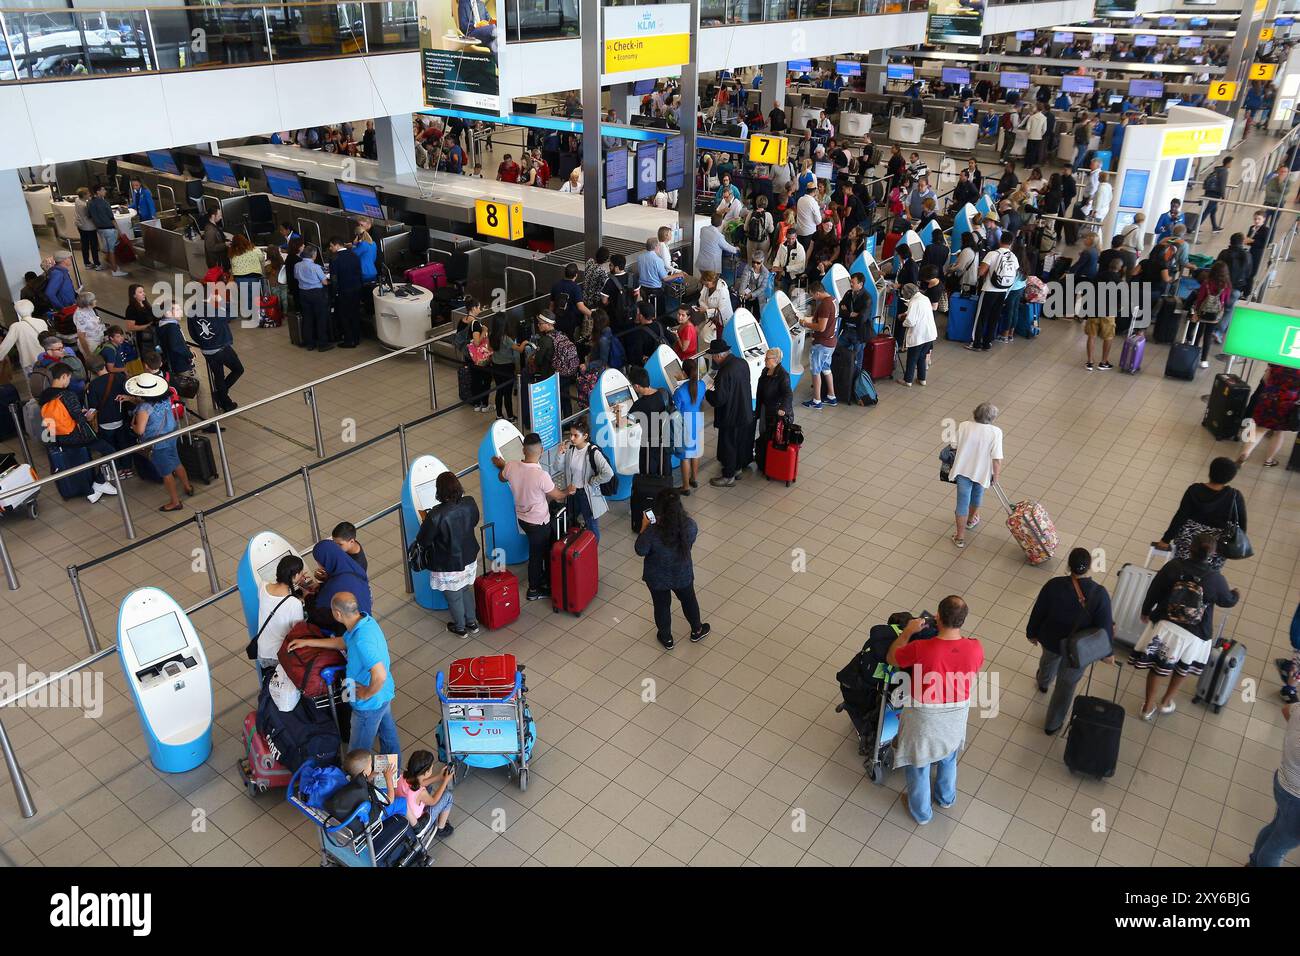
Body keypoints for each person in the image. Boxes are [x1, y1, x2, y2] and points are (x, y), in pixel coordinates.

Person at [886, 596, 984, 826]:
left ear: (937, 617)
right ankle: (946, 798)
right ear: (963, 620)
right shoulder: (975, 647)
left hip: (924, 720)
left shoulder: (921, 648)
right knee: (949, 756)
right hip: (956, 717)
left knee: (919, 763)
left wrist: (907, 632)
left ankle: (921, 813)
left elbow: (892, 658)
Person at [1129, 532, 1240, 721]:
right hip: (1195, 633)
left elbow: (1154, 590)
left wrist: (1146, 611)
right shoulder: (1215, 579)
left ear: (1190, 548)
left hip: (1166, 626)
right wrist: (1236, 594)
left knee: (1157, 667)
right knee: (1183, 668)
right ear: (1212, 554)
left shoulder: (1173, 566)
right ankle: (1165, 703)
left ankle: (1147, 708)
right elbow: (1227, 601)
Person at [288, 592, 399, 756]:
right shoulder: (365, 622)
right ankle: (393, 775)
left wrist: (365, 693)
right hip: (383, 694)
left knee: (357, 753)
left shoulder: (362, 640)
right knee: (388, 738)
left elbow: (380, 674)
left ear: (338, 614)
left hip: (369, 705)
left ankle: (356, 780)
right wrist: (308, 642)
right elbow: (344, 641)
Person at [1027, 547, 1116, 735]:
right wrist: (1108, 654)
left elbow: (1039, 611)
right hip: (1077, 650)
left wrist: (1032, 633)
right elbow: (1105, 626)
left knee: (1048, 660)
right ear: (1089, 567)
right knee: (1065, 687)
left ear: (1069, 565)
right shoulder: (1099, 594)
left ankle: (1043, 682)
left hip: (1051, 639)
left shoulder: (1053, 585)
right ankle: (1052, 724)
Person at [492, 432, 568, 601]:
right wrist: (568, 490)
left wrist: (502, 465)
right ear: (541, 450)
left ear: (523, 450)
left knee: (537, 550)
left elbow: (502, 477)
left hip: (522, 519)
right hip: (539, 522)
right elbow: (558, 496)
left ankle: (542, 579)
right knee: (537, 555)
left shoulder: (511, 466)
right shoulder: (541, 476)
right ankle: (534, 589)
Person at [634, 488, 710, 650]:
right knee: (689, 600)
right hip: (682, 573)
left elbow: (640, 550)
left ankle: (666, 637)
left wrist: (644, 527)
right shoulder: (689, 525)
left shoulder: (652, 532)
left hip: (657, 577)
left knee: (661, 606)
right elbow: (689, 542)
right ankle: (697, 629)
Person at [413, 471, 480, 636]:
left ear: (439, 491)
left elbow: (423, 540)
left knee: (454, 597)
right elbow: (475, 520)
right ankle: (472, 623)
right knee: (465, 590)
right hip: (469, 557)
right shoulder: (469, 502)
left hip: (448, 563)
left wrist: (426, 522)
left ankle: (460, 628)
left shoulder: (435, 515)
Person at [1153, 456, 1246, 572]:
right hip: (1215, 546)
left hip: (1188, 541)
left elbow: (1180, 517)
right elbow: (1241, 526)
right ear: (1230, 478)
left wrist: (1165, 539)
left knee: (1181, 569)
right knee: (1208, 575)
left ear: (1210, 471)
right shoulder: (1235, 497)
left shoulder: (1194, 490)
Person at [124, 372, 192, 512]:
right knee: (176, 462)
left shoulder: (144, 409)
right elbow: (150, 405)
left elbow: (140, 430)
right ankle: (187, 486)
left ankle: (175, 502)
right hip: (172, 435)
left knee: (166, 472)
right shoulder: (165, 398)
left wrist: (133, 426)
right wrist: (131, 399)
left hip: (158, 443)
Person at [1248, 700, 1300, 866]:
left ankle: (1254, 862)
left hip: (1284, 783)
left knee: (1276, 828)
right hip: (1297, 798)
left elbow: (1286, 710)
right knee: (1278, 847)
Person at [947, 402, 1003, 549]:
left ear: (975, 413)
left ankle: (959, 537)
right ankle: (971, 520)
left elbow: (953, 444)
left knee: (962, 503)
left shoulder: (965, 425)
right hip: (982, 472)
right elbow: (997, 459)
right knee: (977, 496)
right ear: (993, 418)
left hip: (963, 470)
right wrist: (995, 477)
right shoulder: (996, 432)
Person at [705, 339, 756, 487]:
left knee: (728, 445)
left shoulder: (724, 372)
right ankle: (737, 469)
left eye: (713, 356)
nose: (713, 359)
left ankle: (728, 476)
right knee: (739, 442)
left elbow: (719, 399)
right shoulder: (742, 363)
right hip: (745, 411)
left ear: (718, 356)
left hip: (730, 416)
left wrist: (708, 392)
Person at [186, 285, 243, 412]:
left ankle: (225, 402)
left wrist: (203, 342)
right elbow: (233, 314)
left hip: (207, 350)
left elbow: (192, 332)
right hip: (221, 348)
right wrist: (223, 302)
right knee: (238, 369)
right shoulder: (213, 310)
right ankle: (221, 395)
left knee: (218, 375)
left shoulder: (192, 309)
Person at [557, 421, 613, 540]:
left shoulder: (593, 452)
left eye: (576, 435)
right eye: (570, 435)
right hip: (572, 492)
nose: (572, 438)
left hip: (586, 494)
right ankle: (578, 550)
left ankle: (591, 552)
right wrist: (561, 454)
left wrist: (594, 481)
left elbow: (609, 473)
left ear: (585, 436)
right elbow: (558, 468)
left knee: (591, 525)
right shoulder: (570, 449)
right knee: (572, 522)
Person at [253, 554, 308, 675]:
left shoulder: (263, 586)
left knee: (270, 683)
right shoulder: (294, 603)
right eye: (300, 572)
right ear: (295, 576)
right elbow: (297, 631)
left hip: (262, 652)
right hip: (279, 654)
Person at [1237, 364, 1300, 468]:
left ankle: (1244, 454)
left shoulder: (1279, 359)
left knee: (1258, 429)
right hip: (1287, 403)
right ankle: (1268, 460)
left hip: (1268, 398)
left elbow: (1265, 378)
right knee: (1278, 433)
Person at [308, 537, 372, 633]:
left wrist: (307, 596)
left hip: (346, 633)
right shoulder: (354, 567)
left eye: (319, 562)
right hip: (365, 623)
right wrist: (326, 580)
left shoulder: (336, 584)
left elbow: (318, 613)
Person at [970, 234, 1018, 352]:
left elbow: (981, 272)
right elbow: (1015, 273)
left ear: (1000, 241)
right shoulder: (1013, 256)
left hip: (989, 290)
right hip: (1003, 291)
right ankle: (987, 343)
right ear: (1011, 243)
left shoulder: (993, 254)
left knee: (981, 317)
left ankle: (976, 343)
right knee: (994, 317)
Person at [394, 750, 455, 838]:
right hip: (418, 823)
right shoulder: (420, 791)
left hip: (404, 817)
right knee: (448, 796)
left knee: (428, 787)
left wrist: (438, 777)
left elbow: (419, 783)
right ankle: (441, 829)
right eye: (431, 768)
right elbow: (433, 801)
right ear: (426, 772)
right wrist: (445, 782)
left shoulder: (402, 776)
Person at [753, 347, 793, 472]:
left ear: (776, 360)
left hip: (775, 411)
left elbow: (788, 394)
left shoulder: (782, 375)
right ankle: (763, 459)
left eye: (767, 358)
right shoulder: (766, 370)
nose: (764, 360)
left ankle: (768, 462)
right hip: (765, 408)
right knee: (763, 432)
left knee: (770, 435)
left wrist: (783, 408)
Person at [800, 283, 838, 409]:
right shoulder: (833, 300)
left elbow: (821, 327)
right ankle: (831, 396)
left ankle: (817, 400)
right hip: (831, 342)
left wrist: (806, 324)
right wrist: (807, 319)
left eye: (813, 295)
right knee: (826, 369)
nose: (813, 298)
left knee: (815, 371)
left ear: (817, 293)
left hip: (822, 344)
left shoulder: (825, 305)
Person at [673, 359, 707, 494]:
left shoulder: (679, 391)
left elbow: (676, 410)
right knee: (695, 452)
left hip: (684, 425)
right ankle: (694, 478)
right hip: (697, 421)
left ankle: (686, 487)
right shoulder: (702, 385)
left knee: (685, 456)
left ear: (683, 372)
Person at [0, 300, 48, 389]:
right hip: (45, 358)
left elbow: (5, 346)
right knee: (48, 381)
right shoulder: (41, 322)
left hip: (29, 361)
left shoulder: (16, 327)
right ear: (32, 309)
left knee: (34, 387)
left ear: (17, 311)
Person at [1192, 261, 1232, 368]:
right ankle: (1204, 360)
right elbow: (1226, 301)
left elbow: (1200, 298)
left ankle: (1193, 354)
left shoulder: (1207, 283)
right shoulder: (1227, 285)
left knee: (1198, 333)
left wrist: (1196, 311)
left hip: (1203, 313)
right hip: (1215, 315)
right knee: (1208, 336)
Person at [327, 236, 363, 348]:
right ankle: (357, 338)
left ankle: (349, 340)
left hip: (343, 291)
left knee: (344, 316)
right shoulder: (354, 255)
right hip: (356, 289)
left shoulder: (335, 258)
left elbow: (334, 279)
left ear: (337, 245)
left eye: (331, 246)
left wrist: (334, 294)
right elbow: (359, 273)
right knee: (355, 314)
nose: (330, 248)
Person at [294, 244, 332, 352]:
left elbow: (296, 277)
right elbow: (324, 282)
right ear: (314, 255)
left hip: (303, 293)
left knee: (307, 318)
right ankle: (322, 343)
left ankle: (310, 343)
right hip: (317, 293)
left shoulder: (297, 265)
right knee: (321, 318)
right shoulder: (315, 267)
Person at [898, 283, 937, 387]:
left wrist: (903, 321)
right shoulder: (924, 298)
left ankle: (908, 381)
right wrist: (907, 313)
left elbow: (911, 321)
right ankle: (922, 379)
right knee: (922, 357)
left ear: (908, 294)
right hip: (930, 334)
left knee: (912, 358)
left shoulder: (914, 302)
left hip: (919, 335)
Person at [87, 184, 128, 277]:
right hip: (109, 229)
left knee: (107, 248)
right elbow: (111, 218)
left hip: (100, 230)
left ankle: (108, 264)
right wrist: (119, 231)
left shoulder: (89, 203)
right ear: (98, 192)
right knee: (111, 250)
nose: (105, 191)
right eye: (103, 190)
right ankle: (115, 270)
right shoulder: (104, 203)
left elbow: (90, 216)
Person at [73, 186, 100, 271]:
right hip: (89, 227)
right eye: (88, 193)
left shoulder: (77, 200)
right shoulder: (85, 205)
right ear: (84, 195)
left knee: (84, 245)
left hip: (80, 226)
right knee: (94, 246)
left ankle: (87, 263)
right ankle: (97, 263)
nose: (90, 194)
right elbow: (91, 215)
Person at [1202, 156, 1231, 233]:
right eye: (1231, 163)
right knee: (1208, 210)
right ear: (1228, 163)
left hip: (1211, 191)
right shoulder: (1224, 171)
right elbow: (1222, 184)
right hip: (1216, 193)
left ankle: (1214, 227)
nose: (1231, 165)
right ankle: (1194, 227)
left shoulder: (1218, 169)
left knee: (1213, 210)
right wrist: (1223, 196)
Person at [202, 206, 228, 272]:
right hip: (217, 263)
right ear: (213, 216)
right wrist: (225, 244)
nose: (221, 217)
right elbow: (211, 247)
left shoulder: (213, 226)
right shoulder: (210, 230)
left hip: (220, 261)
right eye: (219, 215)